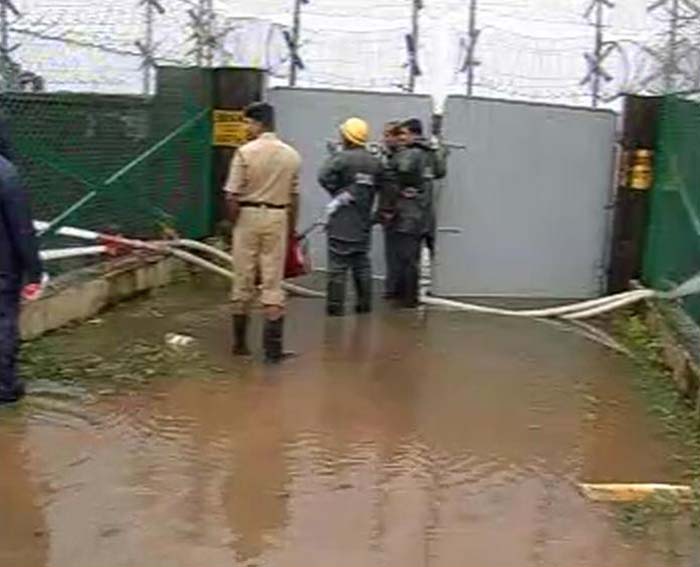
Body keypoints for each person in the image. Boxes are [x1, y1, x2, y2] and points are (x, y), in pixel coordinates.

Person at [224, 102, 302, 363]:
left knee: (243, 276)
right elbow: (294, 196)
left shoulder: (245, 153)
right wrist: (291, 230)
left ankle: (240, 346)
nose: (245, 128)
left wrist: (233, 223)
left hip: (247, 216)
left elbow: (231, 195)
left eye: (247, 122)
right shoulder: (292, 155)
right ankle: (273, 351)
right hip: (279, 216)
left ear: (258, 123)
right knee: (272, 281)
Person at [318, 117, 384, 317]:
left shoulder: (341, 158)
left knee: (337, 267)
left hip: (342, 219)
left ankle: (335, 309)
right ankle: (364, 306)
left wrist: (337, 193)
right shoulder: (375, 162)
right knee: (361, 264)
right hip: (363, 220)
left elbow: (323, 176)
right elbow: (383, 187)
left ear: (346, 137)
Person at [0, 123, 43, 404]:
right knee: (3, 325)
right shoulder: (6, 173)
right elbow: (21, 229)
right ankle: (5, 387)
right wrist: (34, 272)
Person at [390, 117, 445, 308]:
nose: (400, 138)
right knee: (415, 259)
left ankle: (407, 300)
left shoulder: (410, 153)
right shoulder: (431, 153)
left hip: (408, 214)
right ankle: (411, 297)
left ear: (414, 134)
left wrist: (390, 155)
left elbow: (400, 170)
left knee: (407, 259)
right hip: (426, 213)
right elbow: (440, 172)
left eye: (403, 134)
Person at [378, 121, 402, 300]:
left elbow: (392, 187)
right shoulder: (391, 156)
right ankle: (394, 289)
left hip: (396, 212)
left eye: (387, 135)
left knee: (395, 253)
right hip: (394, 211)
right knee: (394, 254)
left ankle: (394, 291)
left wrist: (387, 210)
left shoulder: (399, 158)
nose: (384, 139)